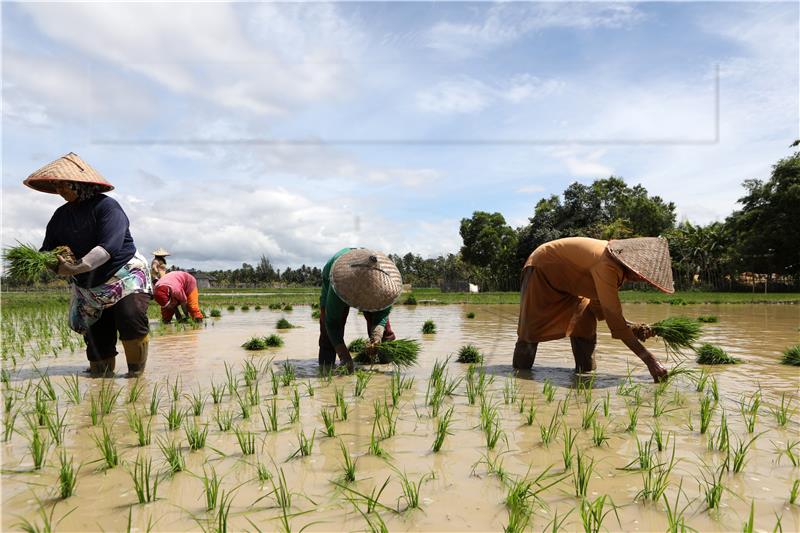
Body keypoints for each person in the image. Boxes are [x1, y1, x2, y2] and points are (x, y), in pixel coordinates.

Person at [24, 152, 152, 377]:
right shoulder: (60, 216)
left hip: (123, 276)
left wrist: (76, 267)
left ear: (80, 184)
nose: (59, 191)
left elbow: (109, 247)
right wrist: (50, 264)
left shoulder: (107, 207)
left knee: (130, 317)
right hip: (88, 283)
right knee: (96, 337)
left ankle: (135, 377)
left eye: (64, 186)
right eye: (57, 186)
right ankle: (101, 379)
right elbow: (46, 250)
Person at [513, 236, 674, 383]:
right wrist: (650, 361)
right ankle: (520, 378)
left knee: (584, 326)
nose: (641, 279)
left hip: (571, 282)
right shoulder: (606, 265)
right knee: (531, 332)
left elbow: (602, 307)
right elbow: (614, 319)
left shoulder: (617, 269)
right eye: (641, 275)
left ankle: (585, 375)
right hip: (541, 270)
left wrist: (633, 327)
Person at [318, 248, 403, 373]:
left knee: (385, 336)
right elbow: (332, 324)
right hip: (338, 276)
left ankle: (387, 363)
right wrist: (344, 356)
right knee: (327, 336)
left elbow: (382, 314)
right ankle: (325, 368)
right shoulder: (339, 284)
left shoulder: (386, 286)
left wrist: (377, 335)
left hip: (371, 279)